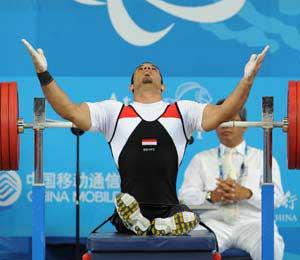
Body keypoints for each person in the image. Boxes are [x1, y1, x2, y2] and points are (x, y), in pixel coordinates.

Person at [22, 38, 269, 237]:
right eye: (141, 69)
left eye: (153, 69)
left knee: (184, 215)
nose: (147, 70)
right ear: (131, 86)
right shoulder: (113, 112)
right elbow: (70, 111)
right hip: (130, 208)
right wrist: (43, 73)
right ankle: (138, 221)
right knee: (126, 210)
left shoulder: (184, 112)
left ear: (163, 86)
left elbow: (225, 112)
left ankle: (161, 224)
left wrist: (248, 79)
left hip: (171, 209)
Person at [179, 100, 285, 259]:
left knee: (271, 244)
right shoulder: (201, 159)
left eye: (231, 120)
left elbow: (277, 199)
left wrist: (247, 194)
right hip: (214, 223)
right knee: (193, 246)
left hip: (253, 224)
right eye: (221, 120)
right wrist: (210, 197)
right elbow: (184, 198)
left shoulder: (262, 158)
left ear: (246, 125)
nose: (226, 125)